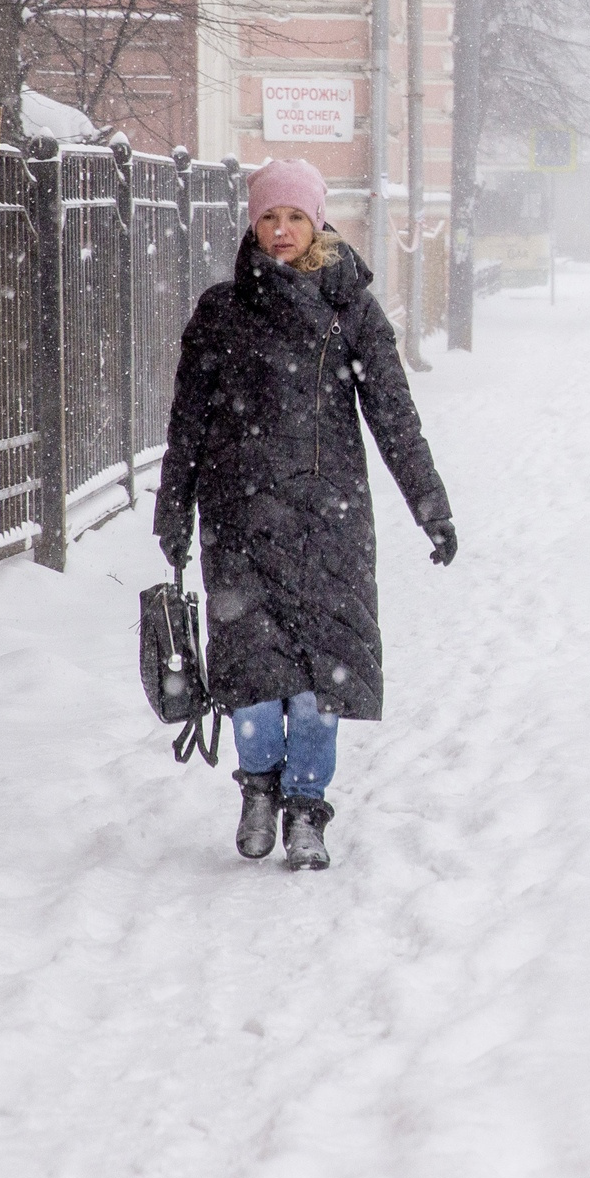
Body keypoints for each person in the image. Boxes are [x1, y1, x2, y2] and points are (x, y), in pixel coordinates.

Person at [154, 158, 456, 869]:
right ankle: (258, 789)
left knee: (323, 684)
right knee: (254, 682)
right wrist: (174, 509)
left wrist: (431, 506)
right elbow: (188, 423)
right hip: (240, 525)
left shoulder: (351, 310)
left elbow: (395, 419)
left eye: (294, 216)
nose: (281, 230)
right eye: (268, 217)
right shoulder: (221, 313)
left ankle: (307, 809)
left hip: (328, 527)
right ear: (253, 224)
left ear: (317, 222)